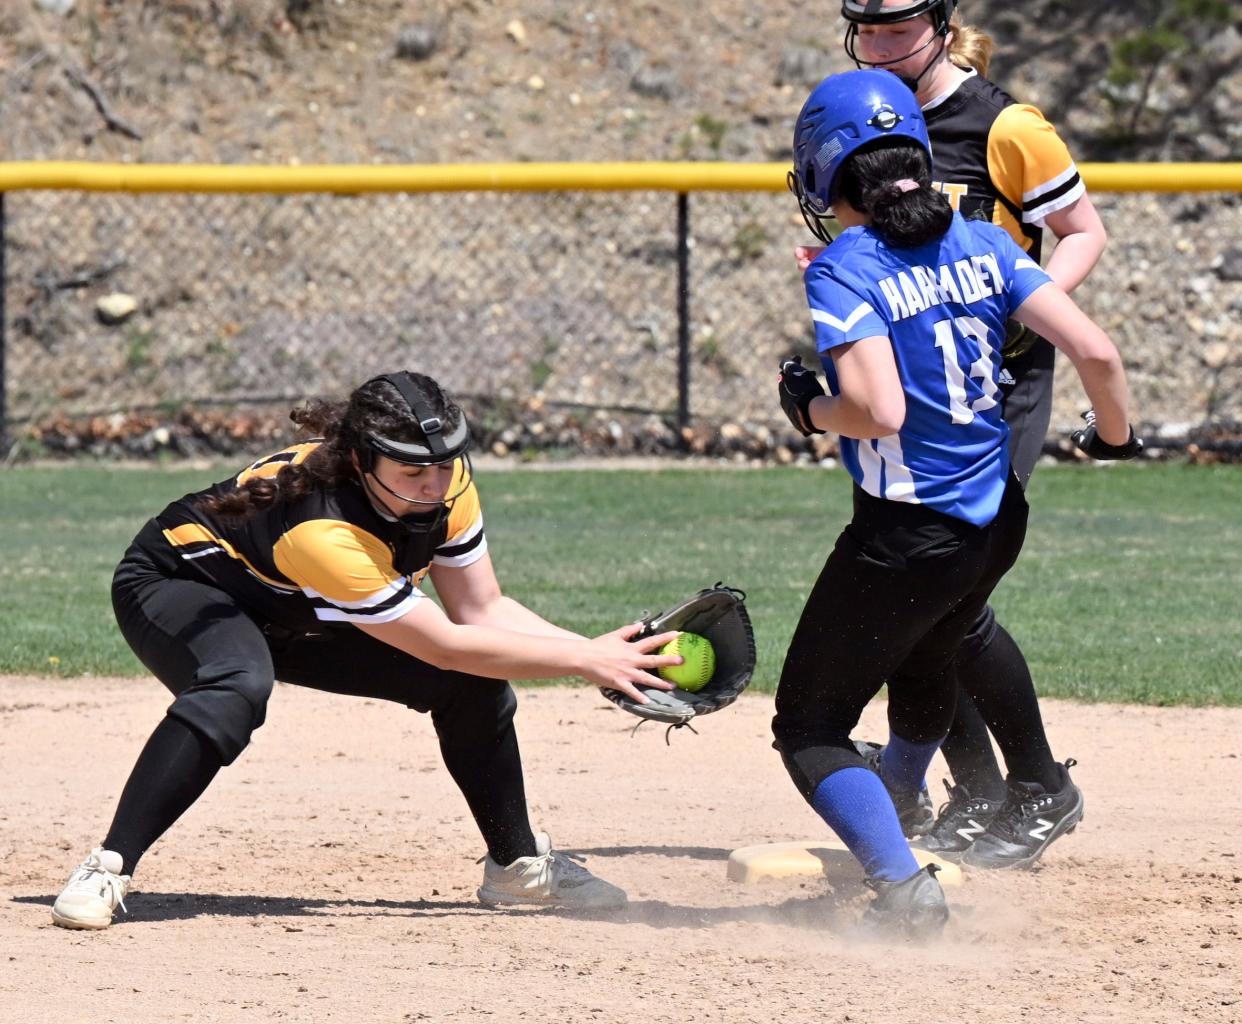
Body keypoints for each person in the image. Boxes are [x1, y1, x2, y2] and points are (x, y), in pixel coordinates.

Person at [50, 370, 684, 930]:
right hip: (184, 584)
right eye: (412, 471)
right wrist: (585, 662)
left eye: (444, 464)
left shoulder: (443, 478)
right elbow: (444, 643)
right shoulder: (322, 529)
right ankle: (109, 865)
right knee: (236, 684)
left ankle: (516, 863)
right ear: (359, 461)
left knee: (472, 683)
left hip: (297, 604)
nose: (435, 483)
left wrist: (609, 655)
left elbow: (482, 611)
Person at [774, 68, 1139, 935]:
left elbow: (877, 410)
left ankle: (904, 895)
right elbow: (1098, 351)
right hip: (997, 514)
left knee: (812, 727)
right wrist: (1113, 438)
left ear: (826, 179)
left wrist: (807, 408)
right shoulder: (982, 241)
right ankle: (901, 794)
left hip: (907, 534)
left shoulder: (843, 268)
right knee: (931, 654)